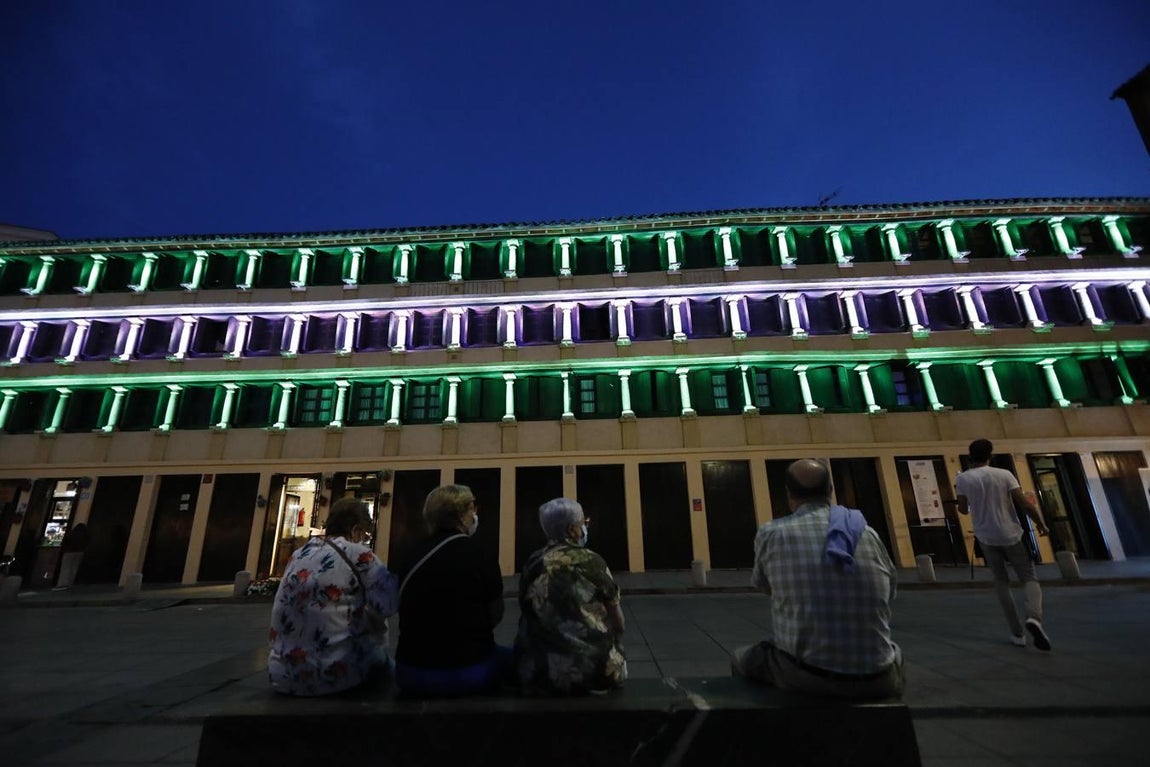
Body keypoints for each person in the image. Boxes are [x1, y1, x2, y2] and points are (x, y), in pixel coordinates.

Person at [731, 458, 903, 698]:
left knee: (742, 658)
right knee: (895, 650)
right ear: (831, 490)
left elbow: (764, 585)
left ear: (788, 493)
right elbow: (890, 591)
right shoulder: (866, 531)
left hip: (809, 676)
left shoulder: (772, 533)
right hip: (879, 677)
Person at [268, 498, 398, 696]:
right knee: (393, 672)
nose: (364, 538)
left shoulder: (299, 553)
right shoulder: (359, 554)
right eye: (364, 533)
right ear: (355, 530)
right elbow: (389, 603)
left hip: (283, 674)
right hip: (335, 673)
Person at [394, 484, 509, 697]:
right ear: (464, 512)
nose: (475, 515)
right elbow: (496, 613)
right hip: (469, 670)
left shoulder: (411, 553)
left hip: (410, 671)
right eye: (473, 509)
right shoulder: (479, 553)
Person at [515, 498, 627, 695]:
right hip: (594, 670)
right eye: (583, 523)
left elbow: (526, 609)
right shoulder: (592, 561)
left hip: (541, 670)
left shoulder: (533, 562)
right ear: (571, 530)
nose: (585, 528)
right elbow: (618, 621)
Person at [955, 438, 1052, 651]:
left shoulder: (963, 478)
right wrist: (1040, 524)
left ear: (970, 455)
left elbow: (963, 509)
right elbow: (1023, 503)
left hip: (985, 535)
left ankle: (1017, 633)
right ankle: (1034, 616)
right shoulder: (1004, 475)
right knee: (1029, 576)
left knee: (1001, 581)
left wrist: (969, 501)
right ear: (990, 455)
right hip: (1011, 532)